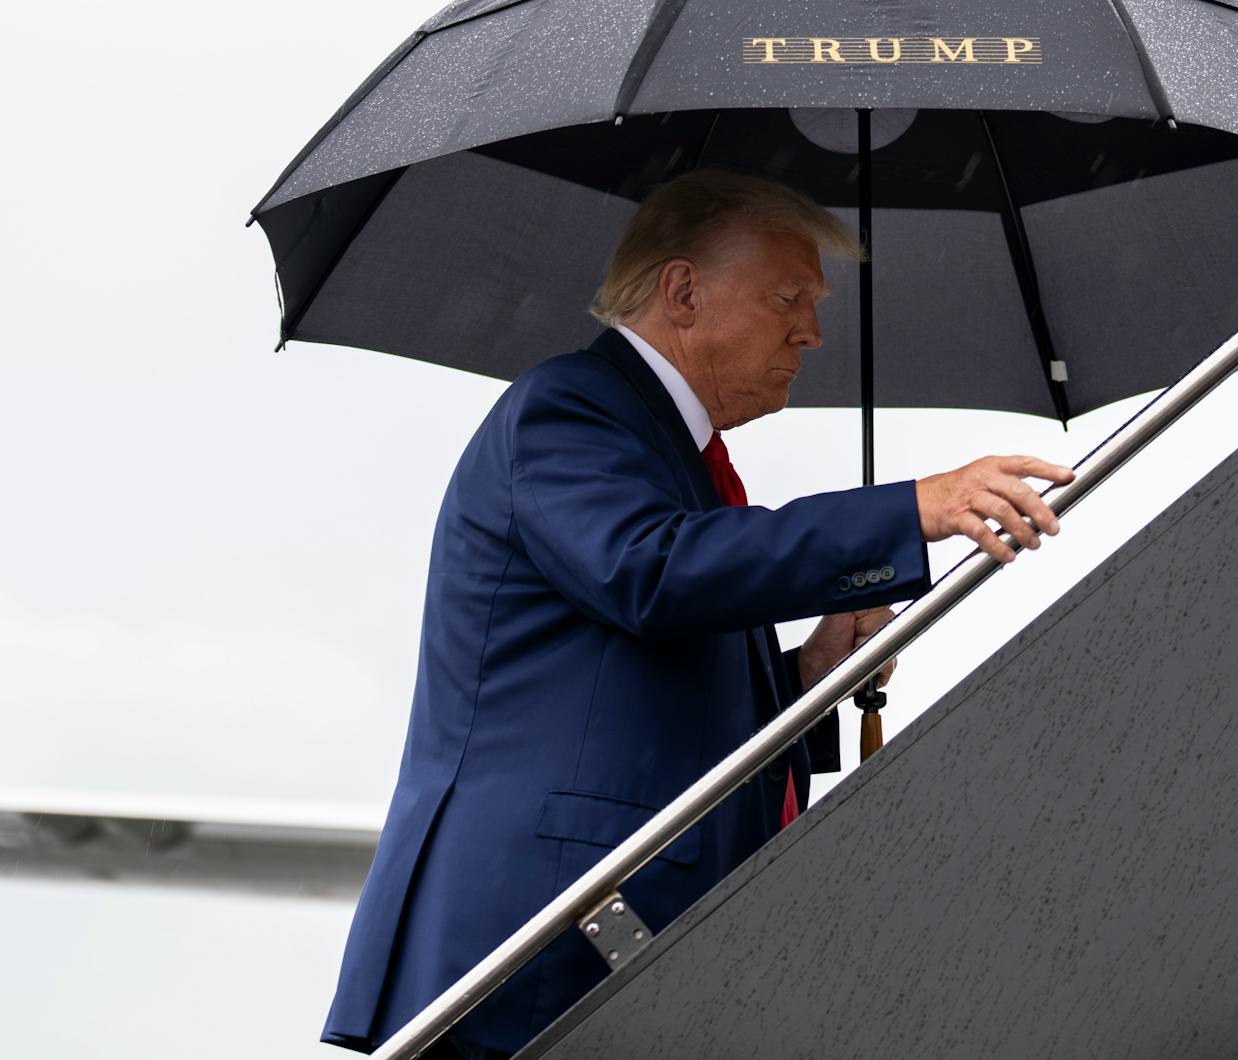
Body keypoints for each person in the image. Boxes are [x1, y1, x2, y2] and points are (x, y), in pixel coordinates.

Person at [321, 170, 1073, 1058]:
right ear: (683, 291)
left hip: (610, 942)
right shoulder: (565, 411)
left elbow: (656, 673)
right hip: (538, 942)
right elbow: (649, 572)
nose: (812, 331)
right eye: (788, 296)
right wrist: (907, 510)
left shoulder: (667, 454)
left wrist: (808, 676)